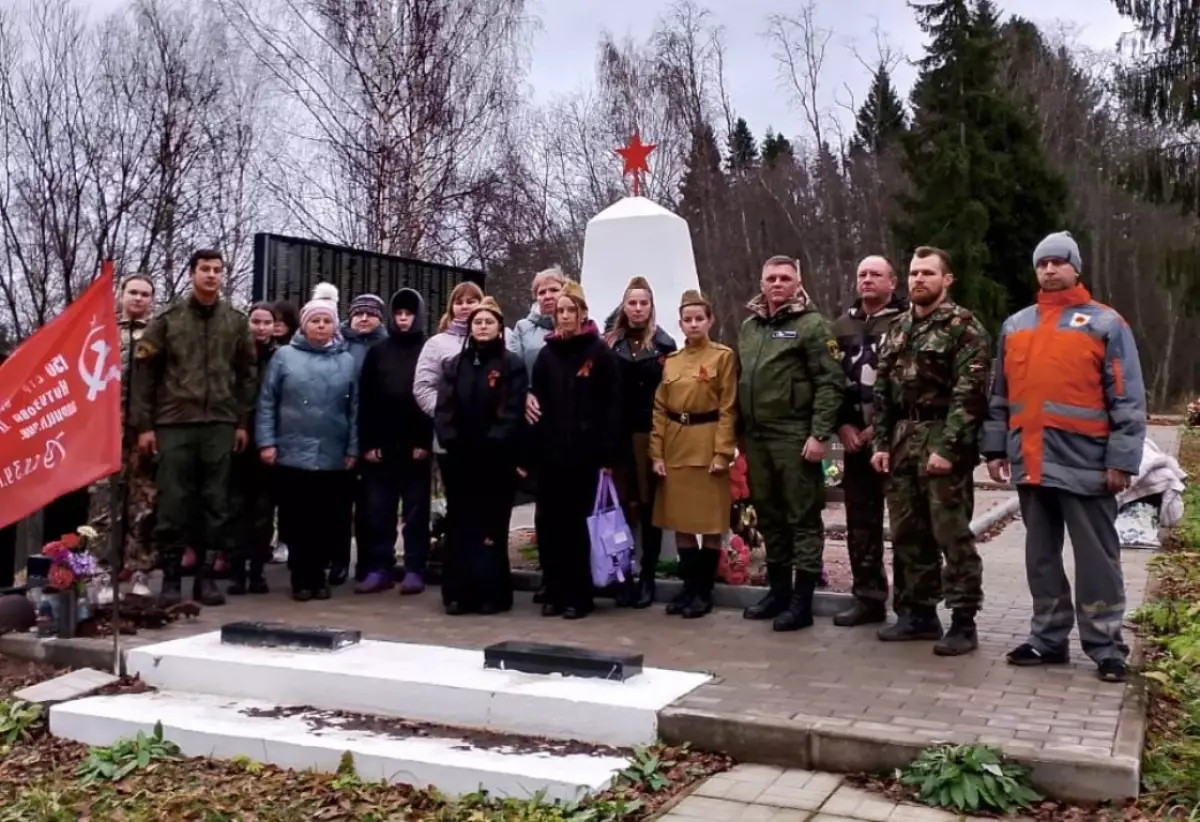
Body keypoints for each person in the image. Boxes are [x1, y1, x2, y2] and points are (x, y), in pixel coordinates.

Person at [983, 232, 1145, 683]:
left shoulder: (1106, 324)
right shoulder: (1016, 326)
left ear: (1076, 268)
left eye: (1058, 262)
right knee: (1040, 558)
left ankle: (1106, 646)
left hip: (1088, 463)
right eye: (1042, 264)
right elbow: (1001, 394)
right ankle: (1048, 638)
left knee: (1097, 560)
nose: (1049, 270)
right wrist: (995, 447)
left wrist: (1122, 459)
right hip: (1031, 462)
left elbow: (1127, 397)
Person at [871, 246, 991, 656]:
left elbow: (970, 394)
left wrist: (949, 446)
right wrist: (881, 443)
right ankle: (919, 614)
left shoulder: (963, 327)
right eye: (913, 273)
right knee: (907, 532)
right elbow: (883, 391)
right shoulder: (898, 327)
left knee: (950, 532)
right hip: (904, 437)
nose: (918, 280)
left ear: (947, 280)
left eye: (927, 273)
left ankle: (963, 620)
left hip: (942, 436)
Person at [132, 250, 257, 606]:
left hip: (219, 423)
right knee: (174, 500)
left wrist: (241, 421)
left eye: (218, 270)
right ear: (192, 274)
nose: (212, 276)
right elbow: (145, 377)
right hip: (174, 423)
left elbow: (248, 374)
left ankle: (205, 577)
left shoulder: (235, 321)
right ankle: (172, 577)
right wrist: (145, 426)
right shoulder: (168, 321)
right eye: (205, 269)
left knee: (215, 501)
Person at [738, 255, 843, 632]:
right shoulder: (749, 327)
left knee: (802, 517)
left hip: (795, 435)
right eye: (771, 278)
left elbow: (830, 383)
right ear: (762, 282)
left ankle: (802, 600)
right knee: (769, 516)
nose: (777, 284)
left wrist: (819, 435)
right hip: (756, 436)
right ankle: (778, 591)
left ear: (798, 283)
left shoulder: (813, 326)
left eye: (785, 278)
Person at [256, 283, 359, 601]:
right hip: (291, 453)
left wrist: (353, 447)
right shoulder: (285, 357)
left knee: (327, 520)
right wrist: (267, 442)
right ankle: (301, 578)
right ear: (304, 324)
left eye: (327, 321)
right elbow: (267, 401)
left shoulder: (346, 361)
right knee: (297, 519)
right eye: (315, 321)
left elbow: (355, 407)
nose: (321, 326)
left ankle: (320, 577)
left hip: (332, 454)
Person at [527, 280, 621, 619]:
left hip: (586, 455)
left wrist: (608, 456)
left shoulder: (598, 353)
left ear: (582, 314)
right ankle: (554, 588)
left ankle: (579, 595)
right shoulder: (546, 355)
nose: (565, 315)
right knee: (550, 525)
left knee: (577, 527)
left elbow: (612, 406)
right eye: (560, 310)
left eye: (571, 310)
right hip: (551, 454)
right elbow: (535, 400)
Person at [434, 297, 527, 615]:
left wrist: (494, 443)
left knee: (491, 527)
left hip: (495, 459)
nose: (483, 327)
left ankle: (492, 594)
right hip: (460, 458)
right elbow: (444, 407)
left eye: (489, 321)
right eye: (478, 322)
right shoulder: (454, 364)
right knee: (460, 525)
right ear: (469, 327)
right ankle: (459, 594)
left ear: (499, 327)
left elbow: (513, 410)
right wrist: (452, 440)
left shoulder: (511, 364)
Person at [649, 289, 737, 619]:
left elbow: (729, 407)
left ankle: (704, 590)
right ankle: (688, 588)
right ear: (681, 324)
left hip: (708, 442)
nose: (694, 324)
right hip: (676, 444)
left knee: (711, 523)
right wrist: (656, 453)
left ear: (710, 320)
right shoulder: (671, 361)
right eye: (688, 320)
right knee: (682, 523)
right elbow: (660, 408)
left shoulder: (722, 357)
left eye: (699, 318)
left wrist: (722, 452)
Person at [831, 256, 908, 627]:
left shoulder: (907, 322)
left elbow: (908, 383)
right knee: (861, 524)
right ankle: (868, 597)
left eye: (875, 274)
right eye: (861, 274)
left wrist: (878, 427)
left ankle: (910, 606)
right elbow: (830, 381)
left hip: (896, 441)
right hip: (854, 443)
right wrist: (843, 425)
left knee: (907, 525)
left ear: (892, 282)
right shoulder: (841, 325)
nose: (867, 280)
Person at [356, 289, 433, 595]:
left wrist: (424, 441)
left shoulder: (428, 349)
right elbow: (367, 399)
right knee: (379, 511)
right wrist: (368, 442)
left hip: (415, 446)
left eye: (408, 314)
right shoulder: (378, 352)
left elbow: (431, 397)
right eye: (398, 314)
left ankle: (415, 568)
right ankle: (380, 567)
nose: (403, 320)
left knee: (415, 512)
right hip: (382, 446)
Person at [606, 276, 677, 608]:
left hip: (649, 434)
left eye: (643, 303)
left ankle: (647, 576)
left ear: (651, 307)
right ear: (624, 306)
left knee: (649, 508)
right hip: (617, 436)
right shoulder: (609, 344)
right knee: (620, 508)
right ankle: (623, 577)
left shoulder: (664, 345)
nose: (637, 308)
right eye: (632, 302)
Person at [89, 273, 158, 598]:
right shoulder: (101, 332)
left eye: (145, 294)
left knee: (142, 505)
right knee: (104, 504)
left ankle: (140, 571)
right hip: (105, 432)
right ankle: (101, 573)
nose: (138, 298)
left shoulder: (158, 335)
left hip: (143, 432)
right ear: (120, 295)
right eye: (133, 292)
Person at [414, 281, 485, 583]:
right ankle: (458, 576)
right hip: (452, 441)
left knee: (484, 510)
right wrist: (447, 417)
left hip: (488, 443)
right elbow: (423, 387)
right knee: (458, 511)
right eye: (460, 301)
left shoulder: (501, 337)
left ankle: (484, 573)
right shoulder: (438, 344)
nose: (466, 306)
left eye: (473, 301)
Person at [228, 302, 279, 596]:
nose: (260, 328)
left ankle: (258, 571)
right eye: (255, 321)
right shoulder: (235, 354)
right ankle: (236, 571)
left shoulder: (281, 356)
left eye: (266, 322)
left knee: (262, 510)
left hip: (268, 441)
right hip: (237, 440)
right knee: (236, 509)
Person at [269, 298, 301, 566]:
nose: (277, 327)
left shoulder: (296, 352)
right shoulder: (261, 350)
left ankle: (285, 540)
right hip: (267, 430)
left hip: (291, 431)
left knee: (289, 497)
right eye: (273, 321)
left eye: (282, 322)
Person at [509, 266, 566, 374]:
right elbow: (514, 370)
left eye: (554, 290)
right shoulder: (522, 328)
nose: (547, 296)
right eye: (542, 292)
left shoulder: (579, 325)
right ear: (536, 297)